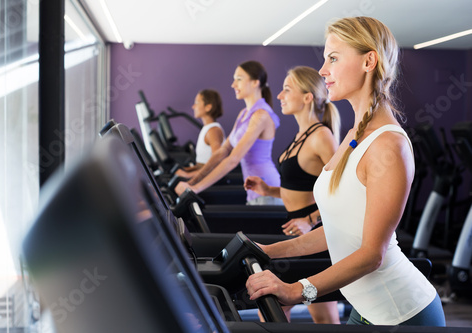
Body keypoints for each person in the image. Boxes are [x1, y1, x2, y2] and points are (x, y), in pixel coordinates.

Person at [245, 16, 446, 326]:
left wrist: (297, 291)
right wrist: (268, 251)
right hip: (365, 309)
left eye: (333, 58)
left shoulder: (388, 145)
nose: (323, 69)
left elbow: (371, 254)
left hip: (402, 315)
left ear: (369, 61)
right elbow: (339, 230)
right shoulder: (354, 134)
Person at [244, 65, 341, 324]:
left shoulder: (322, 137)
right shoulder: (301, 135)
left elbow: (343, 194)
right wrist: (267, 190)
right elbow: (299, 186)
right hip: (295, 232)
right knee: (293, 311)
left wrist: (310, 221)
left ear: (308, 97)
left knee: (314, 315)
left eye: (288, 89)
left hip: (314, 236)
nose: (279, 95)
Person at [175, 60, 282, 205]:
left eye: (239, 79)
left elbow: (233, 159)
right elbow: (223, 151)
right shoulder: (243, 114)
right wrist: (193, 180)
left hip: (267, 187)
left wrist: (195, 188)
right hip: (252, 189)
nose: (233, 84)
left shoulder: (261, 115)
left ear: (255, 82)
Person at [176, 89, 225, 178]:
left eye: (197, 103)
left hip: (210, 179)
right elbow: (204, 163)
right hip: (203, 174)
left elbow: (217, 163)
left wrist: (188, 175)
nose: (193, 106)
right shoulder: (207, 128)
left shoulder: (213, 130)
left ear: (208, 107)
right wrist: (188, 169)